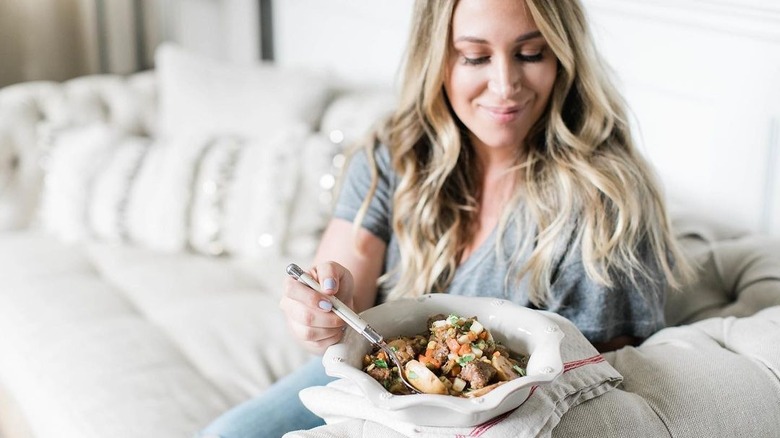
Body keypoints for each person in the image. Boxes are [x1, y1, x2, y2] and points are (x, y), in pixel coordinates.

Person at [198, 0, 692, 436]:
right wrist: (317, 314)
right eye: (475, 56)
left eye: (531, 53)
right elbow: (340, 308)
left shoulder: (605, 201)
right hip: (377, 379)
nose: (505, 85)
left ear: (563, 55)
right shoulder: (393, 153)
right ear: (436, 58)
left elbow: (596, 384)